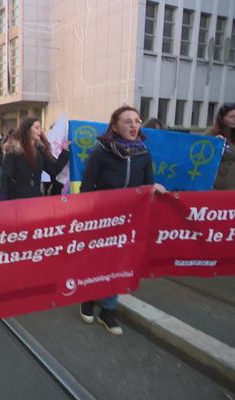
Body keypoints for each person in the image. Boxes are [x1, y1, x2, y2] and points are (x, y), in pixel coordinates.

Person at [79, 105, 166, 335]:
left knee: (119, 264)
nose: (134, 125)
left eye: (137, 121)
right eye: (128, 121)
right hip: (101, 218)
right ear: (115, 126)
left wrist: (154, 188)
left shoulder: (144, 153)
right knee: (96, 261)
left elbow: (148, 185)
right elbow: (87, 188)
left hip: (129, 220)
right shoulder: (100, 151)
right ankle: (87, 299)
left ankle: (108, 311)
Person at [1, 117, 69, 200]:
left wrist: (65, 152)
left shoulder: (40, 151)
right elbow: (5, 177)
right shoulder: (13, 152)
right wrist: (2, 199)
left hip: (36, 198)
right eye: (36, 128)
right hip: (17, 198)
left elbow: (53, 170)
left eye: (40, 128)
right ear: (27, 130)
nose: (40, 130)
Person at [205, 102, 235, 190]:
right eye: (231, 117)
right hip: (219, 182)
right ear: (222, 118)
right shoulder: (212, 133)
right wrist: (214, 144)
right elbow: (202, 155)